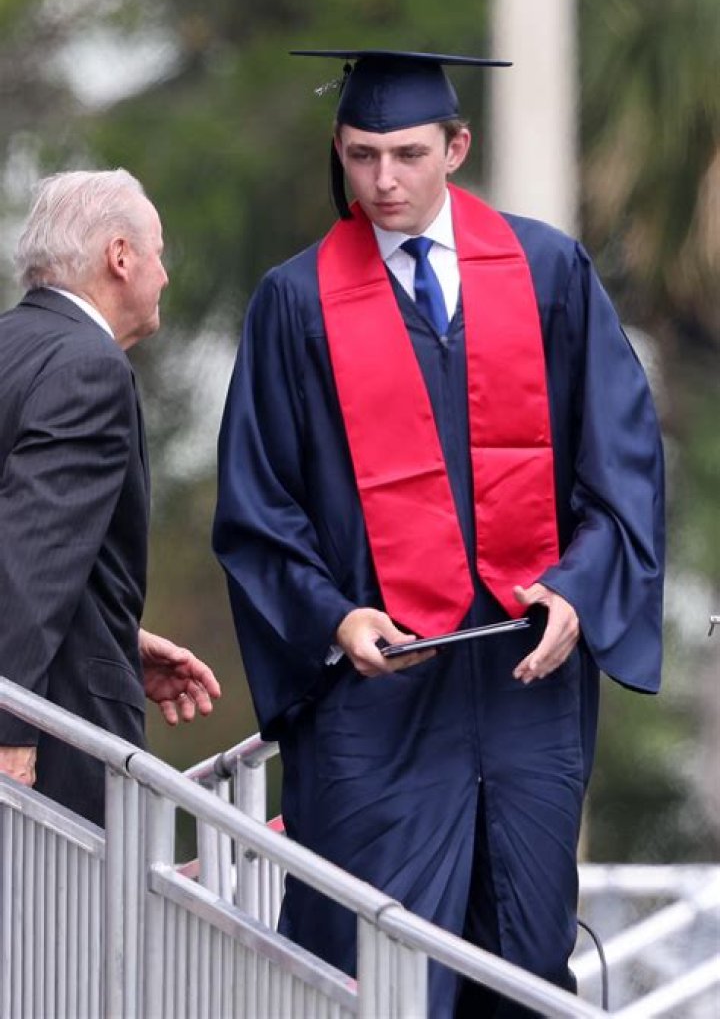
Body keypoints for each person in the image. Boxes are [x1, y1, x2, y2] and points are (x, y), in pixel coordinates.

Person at [213, 50, 664, 1017]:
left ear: (457, 148)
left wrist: (580, 590)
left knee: (525, 953)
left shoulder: (546, 272)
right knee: (371, 966)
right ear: (339, 150)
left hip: (521, 685)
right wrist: (333, 621)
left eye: (408, 154)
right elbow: (259, 508)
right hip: (376, 701)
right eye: (362, 154)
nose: (383, 181)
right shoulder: (295, 304)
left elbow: (620, 463)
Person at [0, 168, 221, 828]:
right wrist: (13, 724)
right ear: (119, 257)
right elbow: (33, 554)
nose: (164, 274)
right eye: (158, 251)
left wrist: (115, 637)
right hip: (50, 742)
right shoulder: (89, 368)